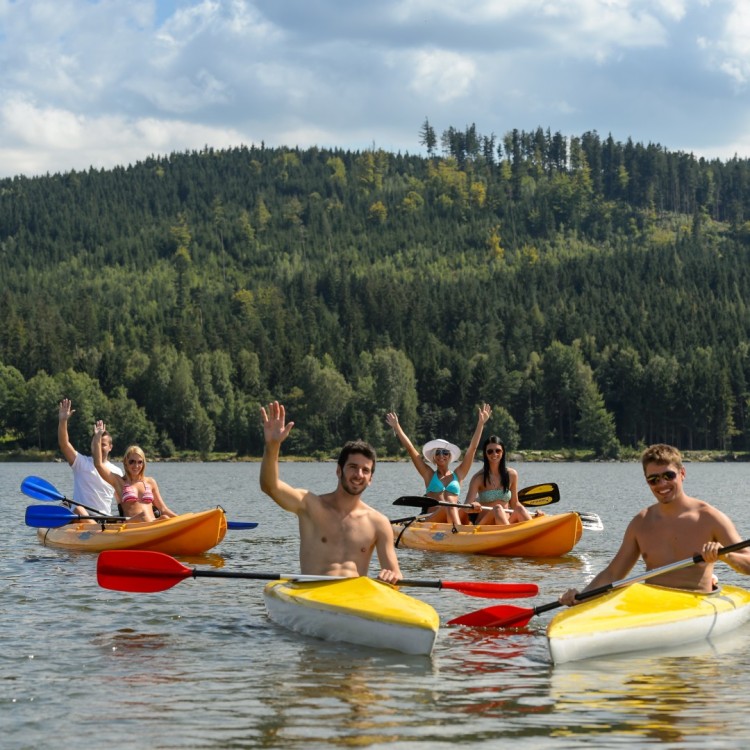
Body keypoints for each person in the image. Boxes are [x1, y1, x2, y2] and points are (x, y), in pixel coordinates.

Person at [560, 443, 750, 605]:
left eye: (669, 476)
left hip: (697, 603)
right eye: (654, 479)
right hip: (652, 605)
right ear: (647, 481)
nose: (662, 484)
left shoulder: (710, 518)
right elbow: (613, 574)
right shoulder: (641, 523)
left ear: (682, 473)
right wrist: (581, 596)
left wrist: (727, 556)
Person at [259, 400, 401, 583]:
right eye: (352, 467)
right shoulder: (309, 504)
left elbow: (395, 573)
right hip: (313, 595)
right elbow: (270, 486)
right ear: (338, 470)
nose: (359, 474)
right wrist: (273, 446)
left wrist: (392, 577)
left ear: (371, 479)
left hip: (354, 600)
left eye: (365, 470)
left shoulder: (379, 523)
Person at [385, 404, 492, 528]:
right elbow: (411, 449)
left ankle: (466, 533)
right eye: (438, 453)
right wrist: (397, 426)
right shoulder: (428, 474)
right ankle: (460, 536)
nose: (442, 455)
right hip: (432, 520)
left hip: (452, 517)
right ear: (434, 458)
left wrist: (481, 424)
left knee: (462, 506)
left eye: (445, 452)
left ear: (449, 456)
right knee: (449, 505)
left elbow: (472, 449)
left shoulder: (459, 474)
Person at [91, 420, 177, 522]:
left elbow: (163, 509)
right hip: (132, 527)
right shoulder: (119, 482)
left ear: (143, 463)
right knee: (143, 515)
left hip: (153, 525)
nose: (136, 466)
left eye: (139, 462)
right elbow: (98, 464)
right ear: (126, 462)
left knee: (165, 518)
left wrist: (184, 519)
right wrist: (97, 437)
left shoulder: (150, 482)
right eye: (132, 462)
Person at [57, 398, 123, 517]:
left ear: (110, 447)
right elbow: (64, 444)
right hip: (80, 518)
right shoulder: (81, 462)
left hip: (104, 520)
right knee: (79, 510)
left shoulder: (117, 471)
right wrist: (63, 421)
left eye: (102, 444)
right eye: (95, 442)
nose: (98, 446)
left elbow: (120, 500)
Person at [465, 436, 533, 525]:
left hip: (507, 521)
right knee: (497, 508)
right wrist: (472, 506)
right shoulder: (478, 478)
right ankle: (510, 535)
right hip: (485, 524)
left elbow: (514, 503)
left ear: (502, 452)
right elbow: (466, 507)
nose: (494, 454)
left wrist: (529, 513)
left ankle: (535, 531)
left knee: (519, 509)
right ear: (485, 454)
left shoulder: (512, 474)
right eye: (490, 451)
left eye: (498, 450)